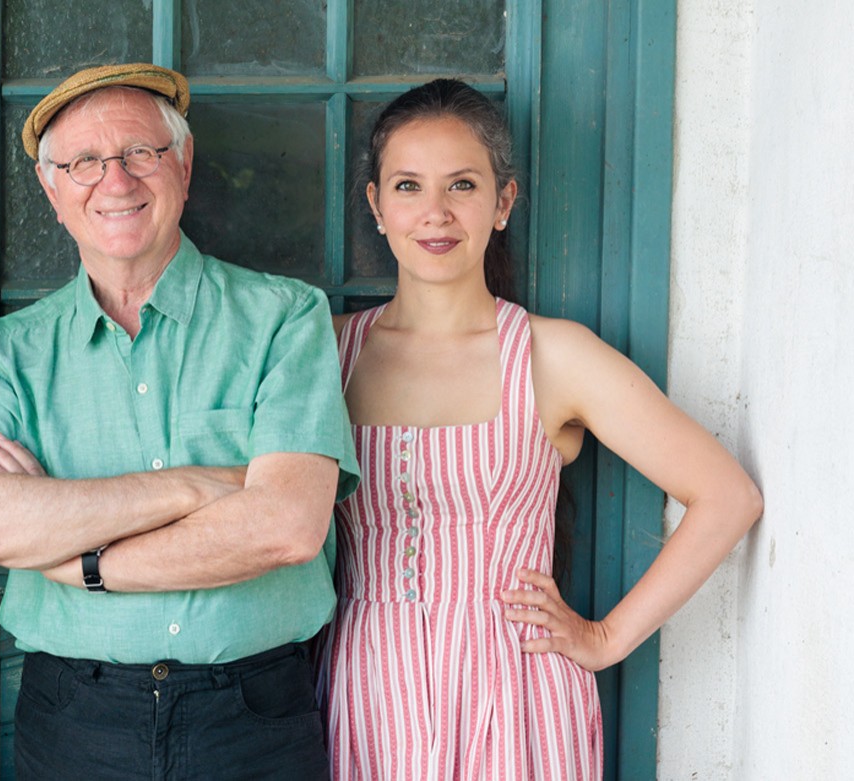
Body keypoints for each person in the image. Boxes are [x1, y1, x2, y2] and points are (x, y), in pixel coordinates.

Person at [0, 63, 360, 779]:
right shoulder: (5, 355)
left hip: (253, 719)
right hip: (75, 720)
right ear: (52, 191)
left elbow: (285, 526)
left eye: (140, 153)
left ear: (183, 168)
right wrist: (194, 487)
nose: (116, 181)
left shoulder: (283, 317)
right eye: (84, 162)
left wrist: (79, 561)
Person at [317, 78, 763, 779]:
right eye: (408, 186)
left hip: (515, 689)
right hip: (367, 683)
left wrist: (606, 636)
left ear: (504, 202)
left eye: (462, 185)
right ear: (376, 205)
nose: (435, 213)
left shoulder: (553, 355)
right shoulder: (328, 350)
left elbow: (728, 496)